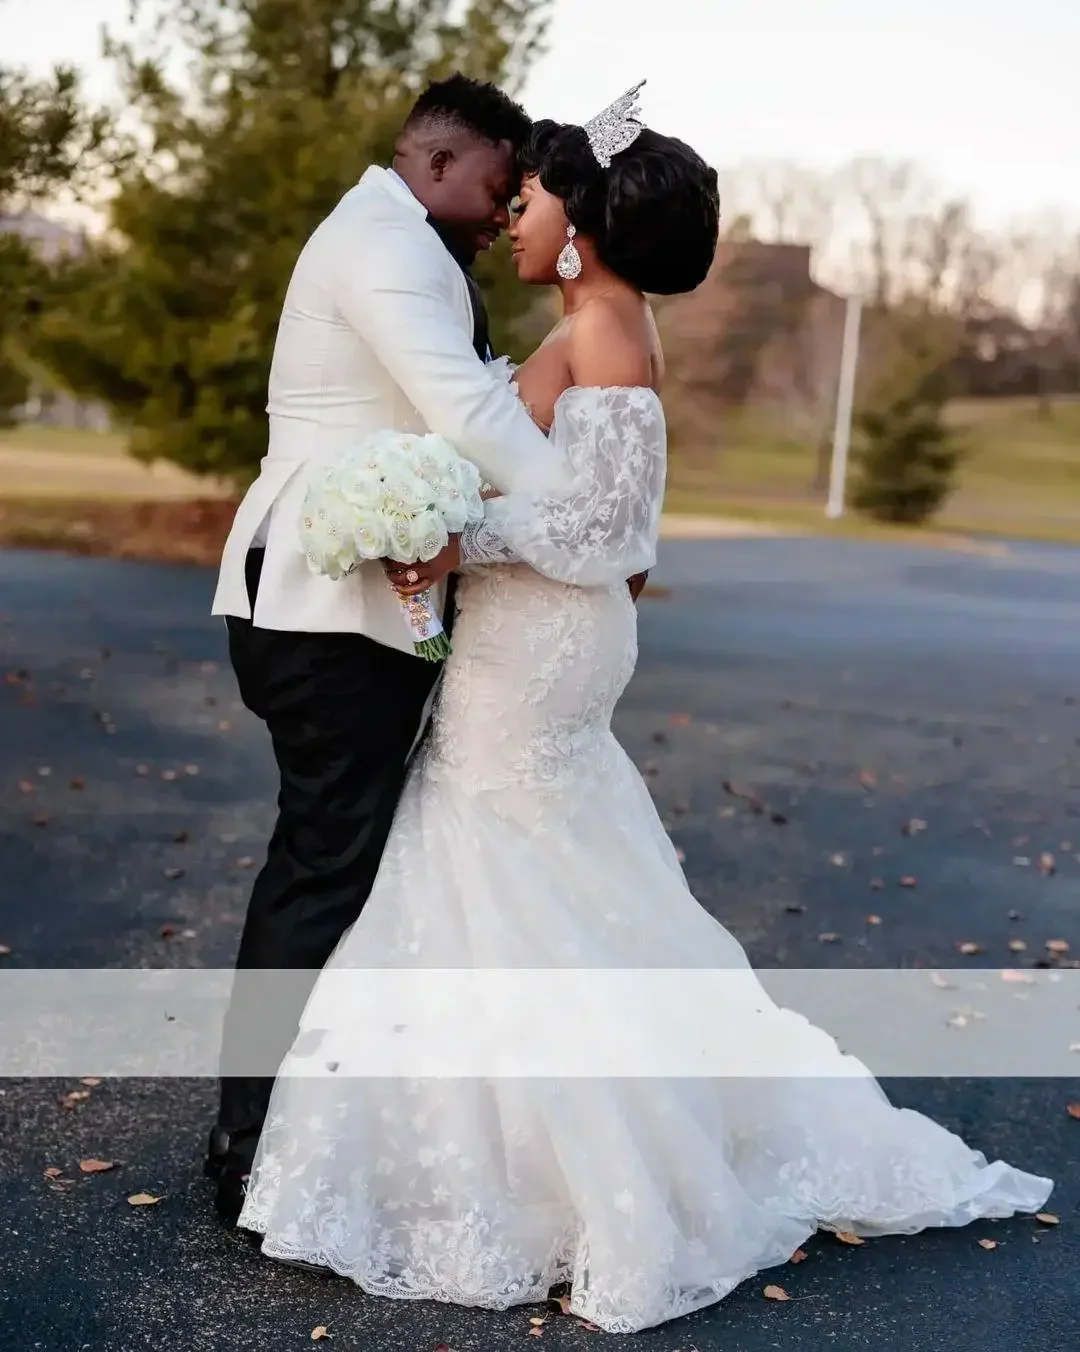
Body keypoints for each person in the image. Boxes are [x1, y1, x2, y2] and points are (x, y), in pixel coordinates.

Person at [234, 86, 1052, 1333]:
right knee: (530, 871)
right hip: (535, 633)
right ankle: (514, 1141)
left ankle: (574, 1162)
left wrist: (463, 538)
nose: (518, 212)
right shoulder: (596, 318)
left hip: (544, 642)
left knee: (510, 865)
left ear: (586, 225)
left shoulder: (608, 328)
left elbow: (611, 531)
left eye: (537, 196)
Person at [206, 74, 642, 1221]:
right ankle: (250, 1143)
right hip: (322, 599)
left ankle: (311, 1128)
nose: (504, 213)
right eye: (499, 187)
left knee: (343, 866)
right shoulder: (389, 247)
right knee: (323, 867)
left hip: (354, 598)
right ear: (441, 163)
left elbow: (479, 398)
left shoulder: (408, 239)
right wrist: (595, 518)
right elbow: (470, 414)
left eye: (520, 199)